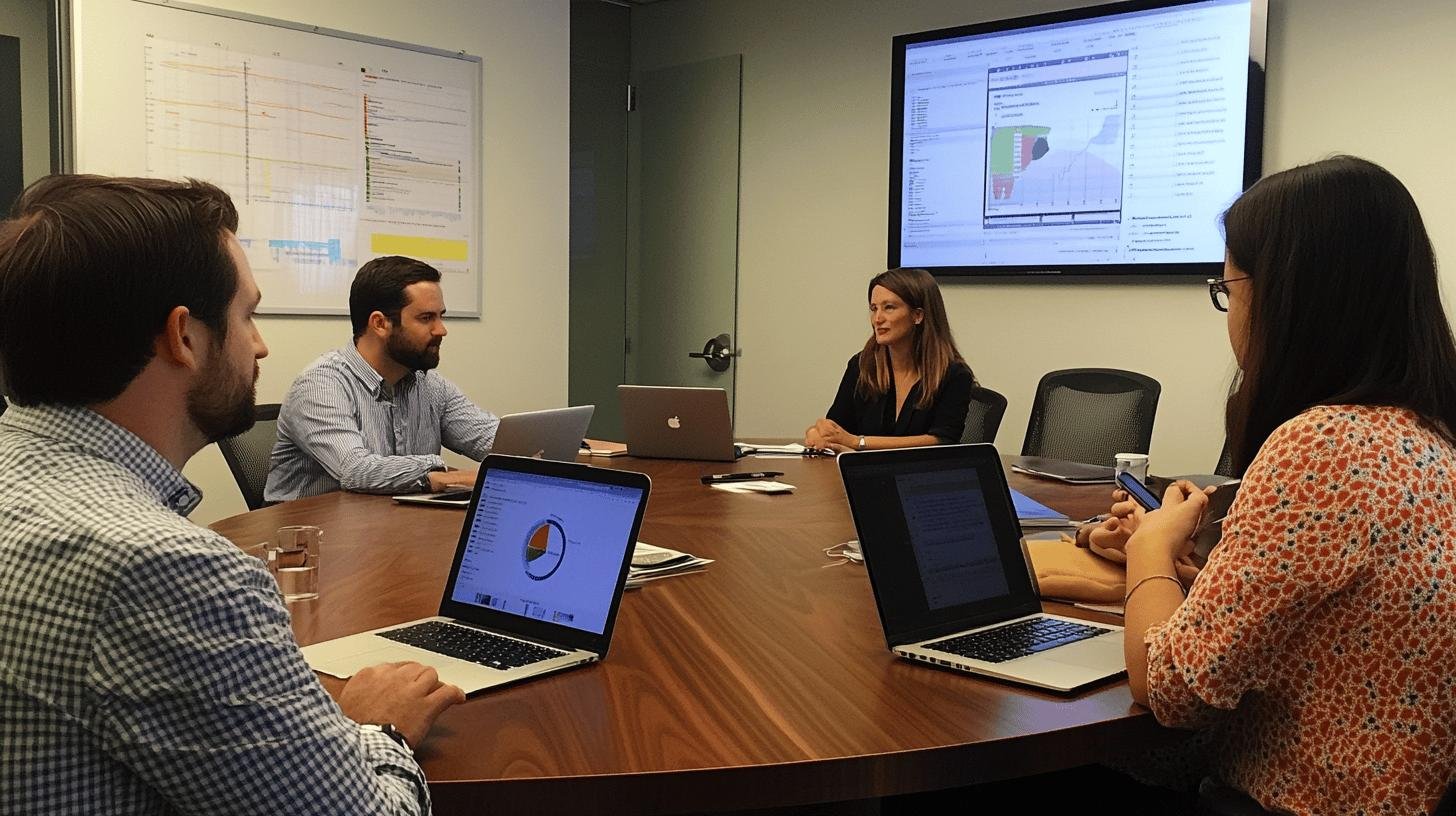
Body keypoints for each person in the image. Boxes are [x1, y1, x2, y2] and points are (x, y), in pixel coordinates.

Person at [0, 175, 464, 813]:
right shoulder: (167, 567)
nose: (261, 343)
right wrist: (373, 730)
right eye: (247, 315)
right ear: (183, 337)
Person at [1118, 156, 1456, 815]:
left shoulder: (1324, 444)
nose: (1229, 312)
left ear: (1288, 294)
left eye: (1228, 287)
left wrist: (1149, 548)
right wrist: (1203, 574)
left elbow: (1169, 689)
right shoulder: (1431, 436)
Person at [265, 255, 499, 501]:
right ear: (379, 323)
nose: (442, 330)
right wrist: (441, 474)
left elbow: (490, 440)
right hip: (310, 531)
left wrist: (533, 452)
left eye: (441, 316)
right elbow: (355, 469)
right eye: (426, 318)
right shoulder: (320, 385)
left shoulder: (430, 386)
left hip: (390, 524)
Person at [804, 268, 976, 452]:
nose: (877, 319)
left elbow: (942, 440)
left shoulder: (954, 374)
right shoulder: (863, 364)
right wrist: (817, 432)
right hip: (865, 474)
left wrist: (858, 443)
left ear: (917, 315)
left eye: (889, 308)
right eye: (873, 308)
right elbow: (836, 427)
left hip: (921, 475)